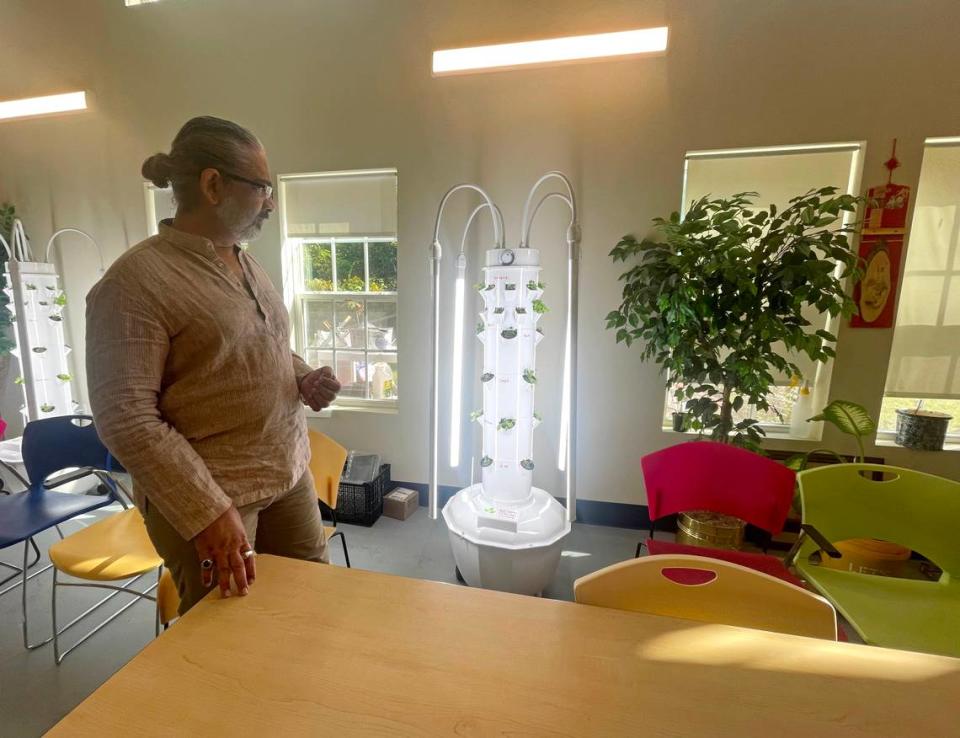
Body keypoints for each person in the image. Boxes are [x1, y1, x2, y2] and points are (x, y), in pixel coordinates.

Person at [86, 116, 341, 614]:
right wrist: (206, 511)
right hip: (214, 498)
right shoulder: (134, 283)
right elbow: (125, 417)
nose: (270, 202)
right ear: (213, 185)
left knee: (312, 609)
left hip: (286, 474)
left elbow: (258, 346)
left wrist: (300, 375)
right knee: (230, 638)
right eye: (262, 187)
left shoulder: (244, 261)